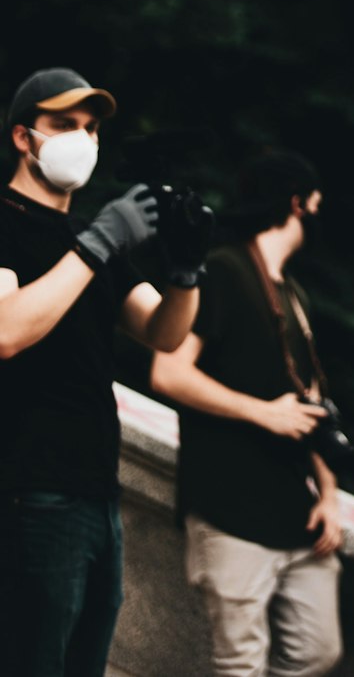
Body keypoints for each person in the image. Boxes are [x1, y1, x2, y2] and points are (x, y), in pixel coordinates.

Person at [0, 65, 210, 677]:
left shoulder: (85, 243)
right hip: (27, 488)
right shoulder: (13, 226)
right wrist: (99, 240)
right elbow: (8, 332)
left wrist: (186, 271)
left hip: (96, 494)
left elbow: (164, 333)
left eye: (91, 128)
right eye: (63, 124)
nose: (83, 140)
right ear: (22, 137)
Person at [150, 149, 344, 677]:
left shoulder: (293, 295)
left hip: (298, 514)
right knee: (239, 664)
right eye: (316, 204)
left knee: (318, 651)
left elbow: (305, 409)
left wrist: (328, 494)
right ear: (296, 203)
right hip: (229, 508)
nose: (317, 216)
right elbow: (167, 372)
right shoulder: (223, 269)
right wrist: (263, 414)